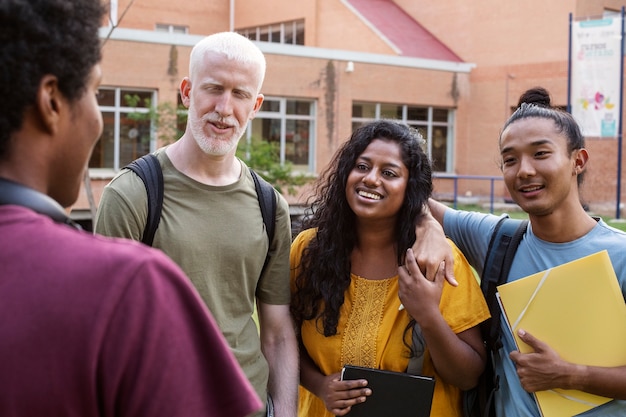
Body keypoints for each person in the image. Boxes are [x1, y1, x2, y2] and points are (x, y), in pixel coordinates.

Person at [0, 1, 262, 416]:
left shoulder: (267, 203)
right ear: (51, 101)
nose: (99, 118)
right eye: (96, 92)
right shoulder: (128, 281)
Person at [94, 31, 298, 417]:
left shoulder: (271, 206)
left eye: (239, 95)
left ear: (255, 106)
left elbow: (276, 332)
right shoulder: (133, 195)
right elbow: (101, 332)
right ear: (187, 92)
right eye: (214, 88)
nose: (224, 108)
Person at [416, 87, 626, 416]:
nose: (524, 171)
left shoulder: (621, 256)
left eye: (540, 154)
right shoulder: (496, 238)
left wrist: (570, 375)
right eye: (510, 160)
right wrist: (429, 227)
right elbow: (415, 201)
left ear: (577, 161)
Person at [289, 120, 490, 417]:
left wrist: (428, 316)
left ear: (409, 187)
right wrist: (319, 385)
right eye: (362, 166)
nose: (371, 179)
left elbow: (469, 375)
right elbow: (282, 339)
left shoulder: (437, 260)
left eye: (389, 173)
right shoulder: (308, 250)